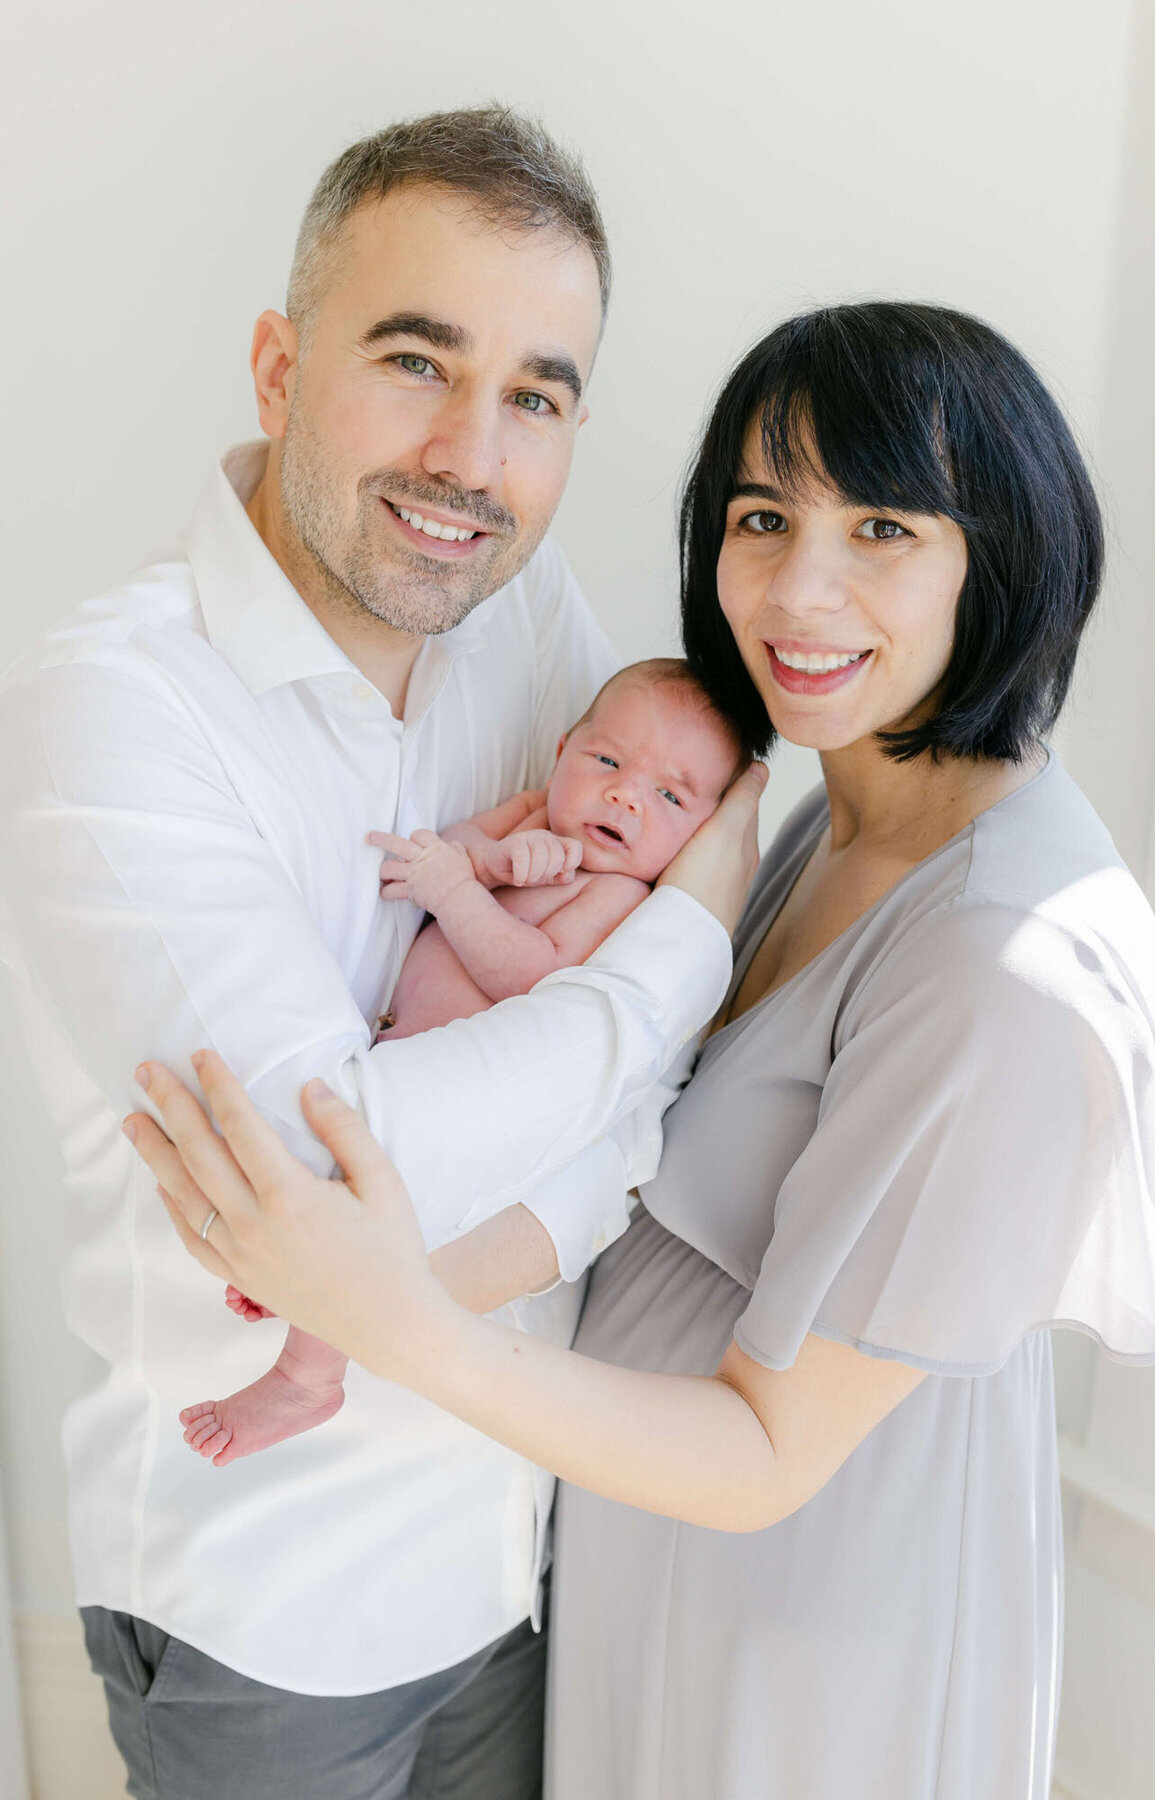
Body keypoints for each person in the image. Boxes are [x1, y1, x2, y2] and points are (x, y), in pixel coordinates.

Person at [128, 302, 1155, 1800]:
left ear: (1001, 552)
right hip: (654, 1593)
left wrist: (395, 1322)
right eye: (763, 516)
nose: (799, 591)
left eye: (882, 525)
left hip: (806, 1655)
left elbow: (767, 1447)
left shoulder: (1007, 966)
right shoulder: (828, 817)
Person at [0, 105, 764, 1800]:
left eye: (537, 397)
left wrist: (594, 1157)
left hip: (515, 1552)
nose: (472, 461)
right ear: (278, 366)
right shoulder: (113, 709)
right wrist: (673, 959)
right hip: (270, 1612)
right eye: (417, 361)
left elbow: (621, 1107)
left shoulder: (528, 623)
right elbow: (316, 1186)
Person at [181, 659, 752, 1467]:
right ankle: (290, 1279)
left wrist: (458, 893)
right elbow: (448, 851)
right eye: (608, 762)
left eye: (671, 796)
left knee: (374, 1218)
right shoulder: (532, 817)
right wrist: (488, 858)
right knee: (320, 1187)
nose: (626, 794)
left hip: (460, 1120)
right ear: (562, 753)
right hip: (391, 1060)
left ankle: (309, 1375)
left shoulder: (619, 898)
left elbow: (533, 972)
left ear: (700, 837)